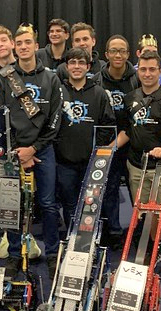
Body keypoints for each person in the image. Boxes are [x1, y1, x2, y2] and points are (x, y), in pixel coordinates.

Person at [0, 24, 62, 277]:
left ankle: (52, 252)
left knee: (48, 203)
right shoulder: (4, 77)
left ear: (35, 46)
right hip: (14, 154)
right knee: (11, 205)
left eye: (27, 42)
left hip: (43, 150)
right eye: (18, 43)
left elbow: (55, 120)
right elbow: (0, 118)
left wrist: (33, 149)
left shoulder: (51, 78)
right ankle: (13, 252)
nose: (23, 47)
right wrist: (19, 153)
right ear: (13, 46)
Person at [114, 50, 161, 287]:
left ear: (160, 71)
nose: (147, 73)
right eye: (143, 69)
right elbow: (126, 130)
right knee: (148, 211)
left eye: (152, 69)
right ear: (137, 71)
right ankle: (156, 250)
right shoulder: (130, 97)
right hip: (136, 165)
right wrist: (110, 147)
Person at [55, 47, 116, 231]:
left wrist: (98, 151)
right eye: (72, 62)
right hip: (64, 161)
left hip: (92, 163)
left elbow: (108, 125)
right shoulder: (58, 92)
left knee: (91, 205)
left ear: (88, 67)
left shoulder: (99, 93)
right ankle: (71, 239)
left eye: (81, 62)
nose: (76, 66)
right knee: (70, 205)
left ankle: (89, 244)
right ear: (66, 66)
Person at [92, 34, 140, 250]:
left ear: (128, 54)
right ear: (106, 54)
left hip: (134, 142)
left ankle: (139, 231)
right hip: (107, 143)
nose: (118, 55)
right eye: (114, 51)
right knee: (109, 189)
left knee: (136, 189)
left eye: (122, 51)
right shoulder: (97, 80)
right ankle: (113, 231)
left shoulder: (137, 79)